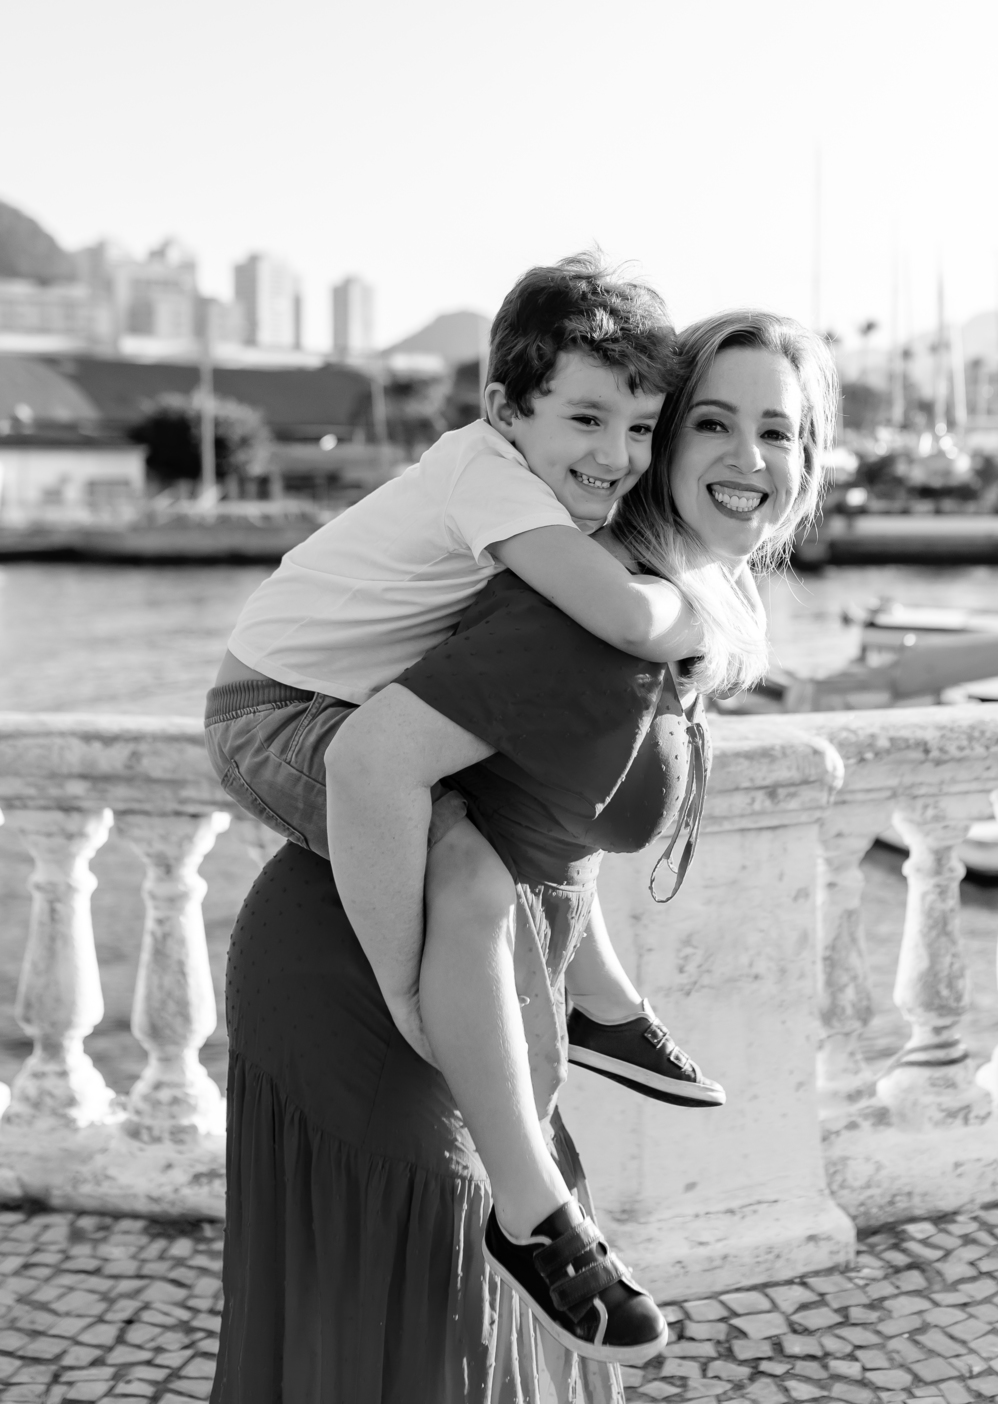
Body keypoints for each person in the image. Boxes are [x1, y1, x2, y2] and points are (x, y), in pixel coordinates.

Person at [210, 309, 838, 1401]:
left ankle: (594, 1038)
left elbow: (549, 796)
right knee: (423, 1357)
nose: (749, 459)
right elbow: (379, 770)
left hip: (479, 1000)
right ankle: (537, 1206)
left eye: (779, 432)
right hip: (373, 995)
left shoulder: (680, 597)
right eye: (713, 423)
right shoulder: (592, 609)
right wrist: (409, 993)